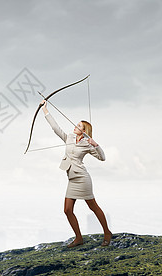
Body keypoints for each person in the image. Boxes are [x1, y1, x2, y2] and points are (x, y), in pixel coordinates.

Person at [41, 99, 112, 247]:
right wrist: (45, 110)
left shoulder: (87, 144)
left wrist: (96, 145)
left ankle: (107, 232)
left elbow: (102, 158)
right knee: (67, 210)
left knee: (93, 207)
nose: (75, 126)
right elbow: (55, 128)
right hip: (72, 179)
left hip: (83, 178)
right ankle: (79, 238)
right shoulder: (69, 137)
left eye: (78, 126)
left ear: (84, 131)